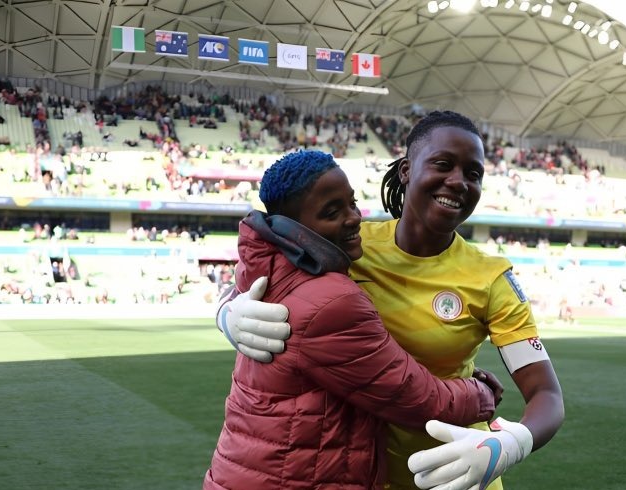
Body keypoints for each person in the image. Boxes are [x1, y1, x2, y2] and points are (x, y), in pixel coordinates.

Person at [217, 112, 565, 489]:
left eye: (473, 174)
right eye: (443, 164)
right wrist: (227, 310)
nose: (458, 182)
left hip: (458, 477)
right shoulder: (349, 243)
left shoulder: (491, 278)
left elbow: (546, 394)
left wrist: (511, 444)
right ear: (405, 170)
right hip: (364, 477)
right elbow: (267, 273)